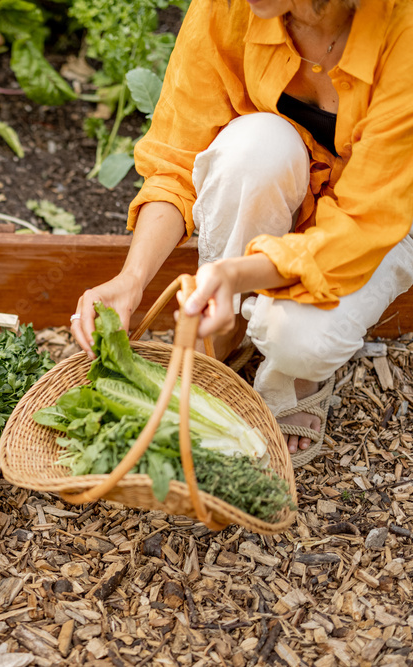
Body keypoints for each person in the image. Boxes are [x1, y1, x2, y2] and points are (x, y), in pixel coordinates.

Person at [71, 0, 413, 467]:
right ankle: (228, 329)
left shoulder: (402, 29)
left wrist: (232, 274)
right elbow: (176, 158)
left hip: (382, 219)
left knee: (298, 340)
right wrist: (132, 279)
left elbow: (364, 222)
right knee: (252, 148)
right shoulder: (231, 5)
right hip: (299, 187)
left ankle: (297, 375)